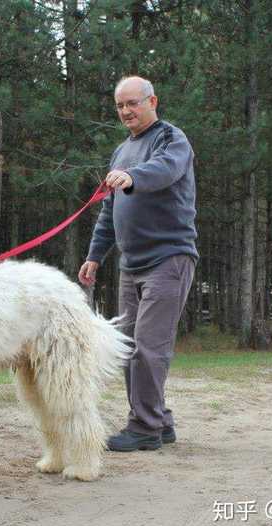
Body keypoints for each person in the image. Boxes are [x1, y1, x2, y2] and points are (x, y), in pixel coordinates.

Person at [78, 76, 198, 452]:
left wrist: (133, 177)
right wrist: (95, 256)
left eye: (133, 103)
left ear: (152, 101)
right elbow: (109, 211)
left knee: (149, 347)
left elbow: (166, 169)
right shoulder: (120, 152)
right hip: (131, 265)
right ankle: (159, 421)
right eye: (120, 106)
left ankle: (144, 428)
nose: (126, 111)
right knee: (128, 346)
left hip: (169, 258)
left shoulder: (171, 140)